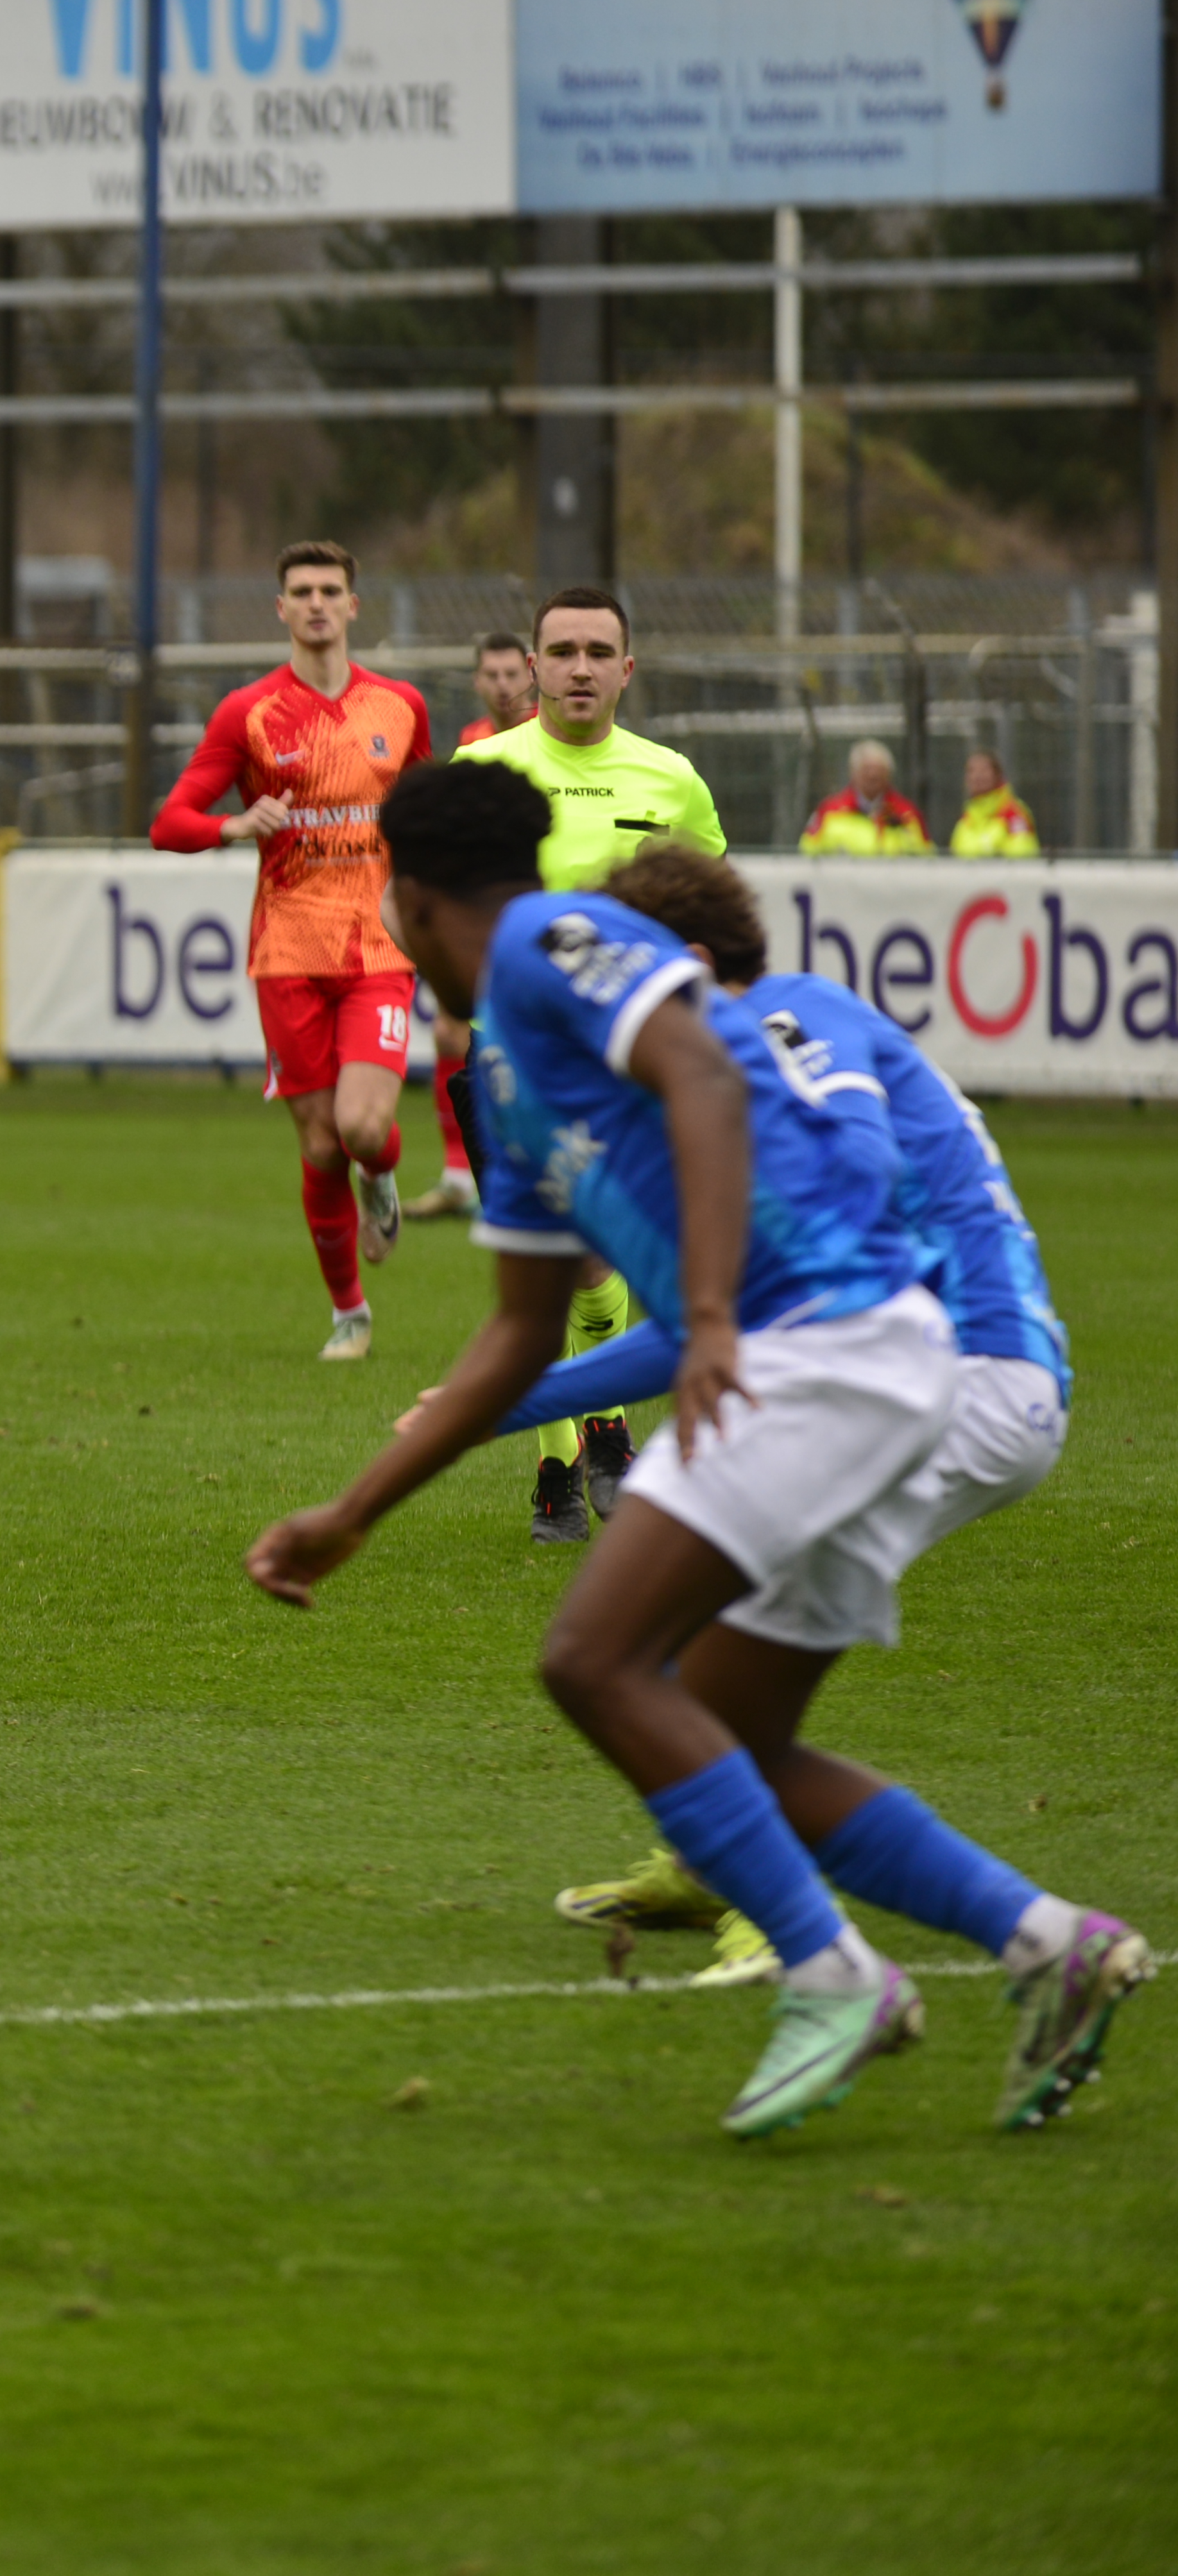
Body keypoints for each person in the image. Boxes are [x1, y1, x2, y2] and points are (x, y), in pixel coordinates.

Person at [249, 759, 1148, 2141]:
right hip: (856, 1362)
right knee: (728, 1732)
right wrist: (351, 1510)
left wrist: (715, 1314)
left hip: (828, 1350)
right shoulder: (509, 1080)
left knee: (590, 1659)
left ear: (404, 897)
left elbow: (700, 1078)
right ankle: (1045, 1942)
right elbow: (513, 1336)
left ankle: (829, 1969)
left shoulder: (553, 946)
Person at [515, 847, 1086, 2026]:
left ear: (684, 968)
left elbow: (850, 1186)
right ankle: (748, 1881)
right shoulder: (745, 1057)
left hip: (950, 1378)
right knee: (681, 1659)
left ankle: (780, 1927)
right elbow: (693, 1319)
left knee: (671, 1674)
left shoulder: (775, 1023)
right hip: (956, 1379)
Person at [456, 586, 727, 1538]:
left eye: (596, 651)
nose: (578, 667)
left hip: (620, 1061)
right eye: (561, 650)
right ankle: (564, 1467)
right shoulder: (483, 771)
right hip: (507, 1057)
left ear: (627, 668)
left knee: (593, 1258)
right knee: (542, 1263)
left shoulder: (673, 781)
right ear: (529, 667)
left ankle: (595, 1437)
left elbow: (709, 912)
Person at [151, 539, 436, 1363]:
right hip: (286, 949)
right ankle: (349, 1310)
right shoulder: (247, 714)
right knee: (318, 1143)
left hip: (377, 943)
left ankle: (380, 1172)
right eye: (301, 591)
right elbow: (170, 822)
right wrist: (234, 824)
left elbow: (422, 812)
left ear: (354, 605)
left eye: (331, 589)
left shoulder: (400, 707)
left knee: (361, 1123)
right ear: (280, 609)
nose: (317, 603)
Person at [414, 632, 543, 1217]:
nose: (502, 685)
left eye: (511, 674)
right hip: (483, 921)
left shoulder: (555, 735)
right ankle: (460, 1173)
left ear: (531, 675)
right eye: (490, 675)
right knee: (450, 1034)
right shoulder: (472, 743)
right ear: (476, 683)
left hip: (536, 924)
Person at [800, 740, 934, 855]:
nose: (873, 776)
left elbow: (927, 857)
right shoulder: (830, 810)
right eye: (866, 770)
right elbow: (806, 851)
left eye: (879, 771)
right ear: (853, 773)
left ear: (889, 774)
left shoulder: (906, 813)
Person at [949, 748, 1042, 856]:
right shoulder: (965, 821)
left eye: (984, 770)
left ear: (997, 775)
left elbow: (1023, 857)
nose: (977, 776)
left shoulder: (1013, 814)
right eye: (971, 771)